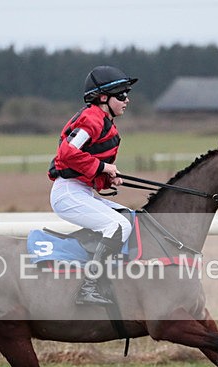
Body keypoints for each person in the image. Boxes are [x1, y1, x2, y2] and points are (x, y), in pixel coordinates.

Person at [48, 66, 137, 305]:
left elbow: (86, 165)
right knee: (117, 226)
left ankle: (108, 277)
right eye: (122, 95)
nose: (127, 100)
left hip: (81, 190)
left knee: (127, 216)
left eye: (127, 94)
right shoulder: (91, 119)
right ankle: (89, 287)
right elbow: (67, 153)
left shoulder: (104, 122)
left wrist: (108, 177)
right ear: (103, 98)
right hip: (68, 193)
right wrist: (103, 167)